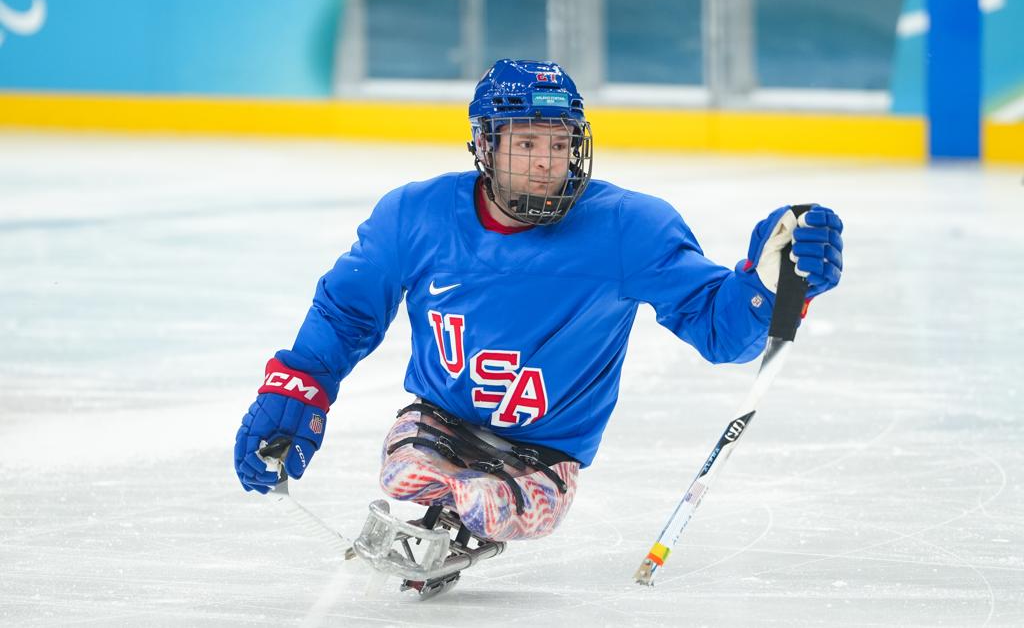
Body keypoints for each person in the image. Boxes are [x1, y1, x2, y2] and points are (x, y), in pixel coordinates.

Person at [234, 58, 843, 545]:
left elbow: (720, 330)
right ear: (485, 145)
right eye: (525, 144)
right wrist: (297, 391)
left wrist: (768, 287)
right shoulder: (412, 217)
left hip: (547, 453)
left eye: (558, 144)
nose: (546, 164)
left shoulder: (627, 227)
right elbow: (347, 313)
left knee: (493, 506)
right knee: (405, 475)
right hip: (438, 424)